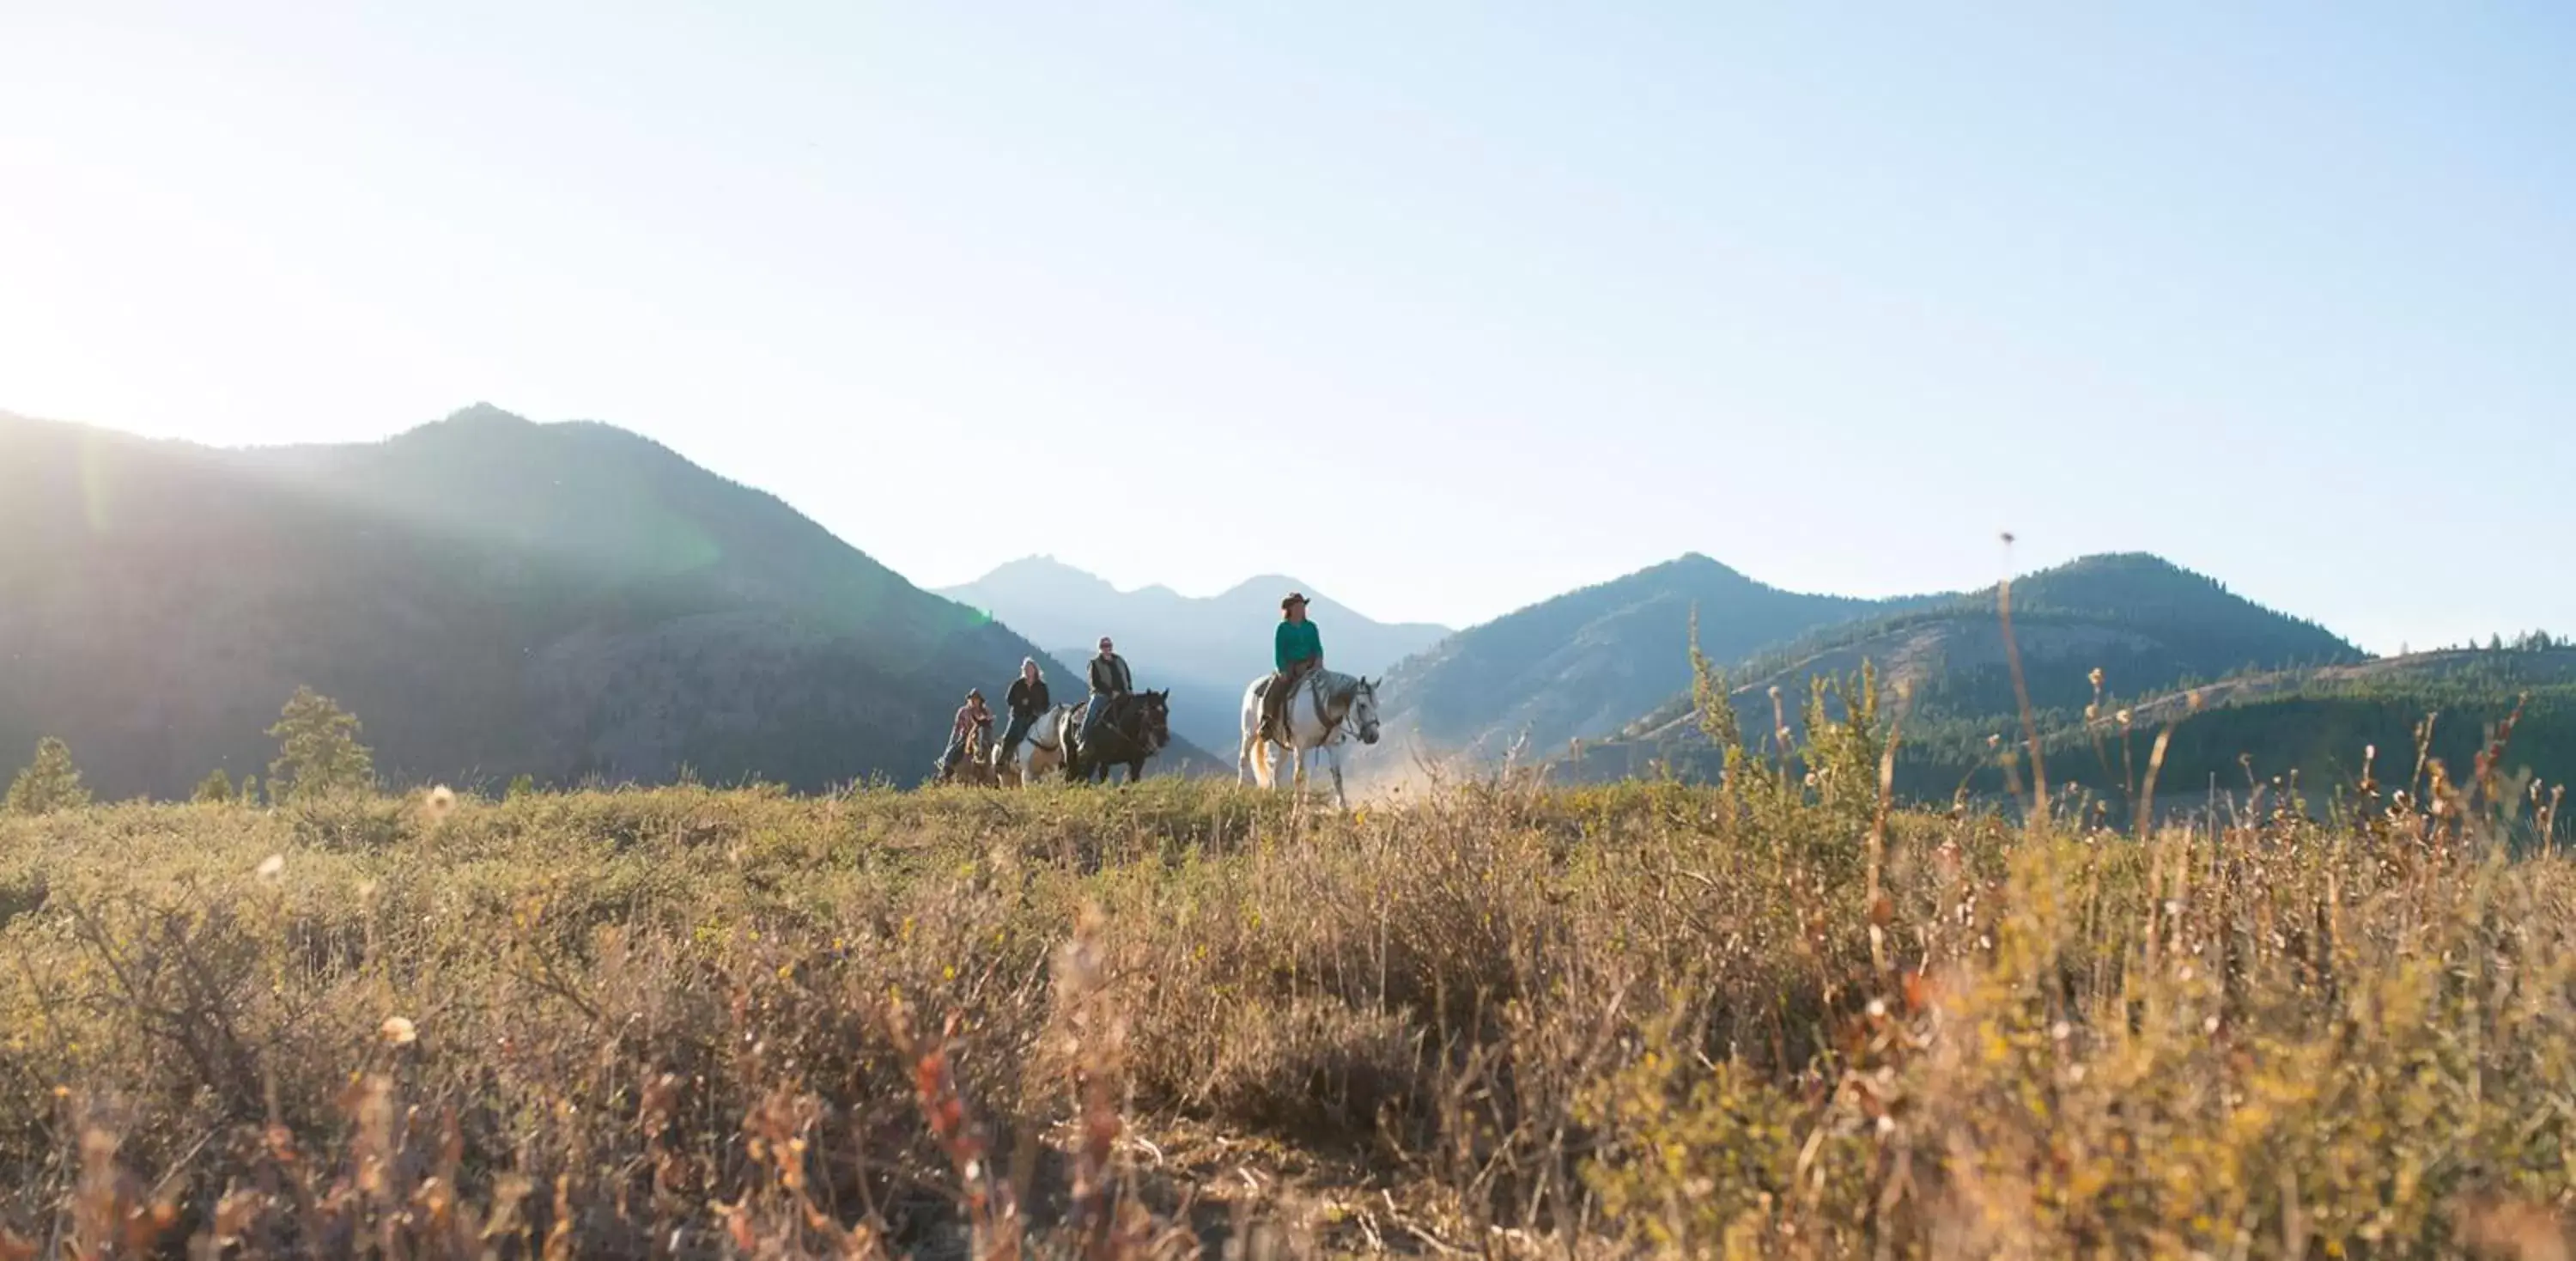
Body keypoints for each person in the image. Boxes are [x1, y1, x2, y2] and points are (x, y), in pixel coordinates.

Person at [1262, 592, 1323, 741]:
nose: (1301, 609)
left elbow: (1317, 647)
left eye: (1302, 606)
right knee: (1273, 691)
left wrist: (1319, 661)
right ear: (1290, 609)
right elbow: (1279, 651)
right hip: (1290, 666)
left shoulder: (1311, 627)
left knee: (1327, 688)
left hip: (1309, 665)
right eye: (1298, 606)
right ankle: (1268, 723)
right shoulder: (1283, 628)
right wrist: (1282, 669)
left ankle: (1332, 725)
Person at [1079, 636, 1132, 746]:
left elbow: (1127, 676)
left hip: (1123, 695)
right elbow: (1095, 683)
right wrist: (1110, 693)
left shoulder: (1120, 661)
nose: (1107, 648)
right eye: (1104, 646)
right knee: (1091, 712)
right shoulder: (1095, 663)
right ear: (1100, 648)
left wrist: (1129, 690)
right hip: (1102, 695)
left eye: (1109, 646)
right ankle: (1082, 738)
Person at [998, 657, 1050, 765]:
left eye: (1030, 669)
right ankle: (1002, 760)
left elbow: (1046, 703)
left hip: (1035, 717)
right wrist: (1020, 703)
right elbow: (1009, 699)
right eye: (1026, 669)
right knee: (1008, 736)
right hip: (1018, 716)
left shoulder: (1042, 687)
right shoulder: (1018, 684)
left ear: (1035, 670)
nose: (1028, 671)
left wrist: (1040, 711)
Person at [937, 689, 993, 781]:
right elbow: (956, 728)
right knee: (952, 752)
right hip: (965, 737)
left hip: (982, 736)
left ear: (980, 700)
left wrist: (990, 738)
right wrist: (951, 743)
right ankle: (946, 773)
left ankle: (996, 775)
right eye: (972, 699)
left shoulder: (986, 711)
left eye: (976, 699)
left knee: (994, 751)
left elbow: (990, 725)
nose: (974, 701)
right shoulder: (963, 711)